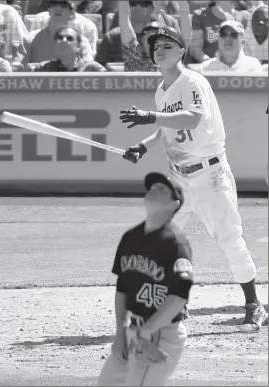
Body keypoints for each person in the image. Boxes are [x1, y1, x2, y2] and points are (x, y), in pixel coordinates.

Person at [120, 26, 268, 333]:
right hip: (179, 179)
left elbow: (192, 117)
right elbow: (168, 128)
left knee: (229, 239)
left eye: (166, 44)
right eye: (155, 46)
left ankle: (254, 304)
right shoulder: (161, 90)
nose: (158, 49)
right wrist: (144, 145)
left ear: (181, 50)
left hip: (210, 173)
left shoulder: (192, 81)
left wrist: (150, 116)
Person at [97, 171, 193, 386]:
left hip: (162, 333)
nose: (153, 190)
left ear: (174, 204)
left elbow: (180, 295)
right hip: (133, 330)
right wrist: (120, 334)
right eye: (152, 187)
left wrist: (148, 332)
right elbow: (122, 288)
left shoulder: (175, 244)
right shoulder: (131, 238)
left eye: (162, 189)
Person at [119, 0, 191, 71]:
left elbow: (186, 36)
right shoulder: (134, 55)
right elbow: (124, 18)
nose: (153, 42)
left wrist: (183, 4)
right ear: (143, 40)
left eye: (157, 38)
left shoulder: (174, 59)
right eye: (150, 38)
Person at [21, 0, 94, 66]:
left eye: (64, 5)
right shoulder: (30, 39)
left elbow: (88, 69)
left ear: (72, 13)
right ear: (49, 10)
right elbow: (20, 69)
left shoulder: (81, 41)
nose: (58, 8)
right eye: (54, 4)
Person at [189, 20, 263, 72]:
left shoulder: (253, 65)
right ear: (218, 40)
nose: (228, 38)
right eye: (223, 34)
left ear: (242, 42)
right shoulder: (206, 67)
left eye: (234, 35)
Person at [31, 26, 106, 71]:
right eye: (60, 38)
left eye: (69, 38)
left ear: (79, 46)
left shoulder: (94, 69)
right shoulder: (43, 68)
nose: (63, 41)